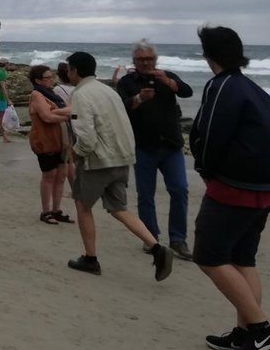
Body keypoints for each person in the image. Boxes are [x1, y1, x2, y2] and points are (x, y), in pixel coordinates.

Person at [191, 25, 270, 350]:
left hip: (233, 187)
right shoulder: (255, 89)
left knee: (209, 256)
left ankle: (261, 329)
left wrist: (204, 168)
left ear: (208, 55)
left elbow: (211, 134)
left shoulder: (221, 86)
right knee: (243, 259)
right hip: (263, 189)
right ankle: (246, 332)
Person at [64, 51, 172, 281]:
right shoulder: (108, 91)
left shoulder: (81, 94)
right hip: (122, 157)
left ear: (74, 70)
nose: (67, 73)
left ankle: (90, 258)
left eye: (69, 69)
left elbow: (86, 136)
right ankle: (156, 247)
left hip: (98, 161)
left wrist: (75, 152)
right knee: (118, 208)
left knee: (83, 205)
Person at [116, 39, 195, 260]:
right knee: (145, 196)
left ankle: (178, 239)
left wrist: (168, 82)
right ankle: (151, 239)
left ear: (155, 59)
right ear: (134, 61)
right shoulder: (126, 82)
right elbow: (121, 107)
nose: (145, 63)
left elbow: (187, 92)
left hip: (171, 146)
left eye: (149, 58)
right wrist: (139, 98)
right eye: (141, 59)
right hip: (143, 147)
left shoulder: (166, 76)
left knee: (179, 190)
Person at [27, 65, 74, 225]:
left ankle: (56, 210)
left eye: (52, 76)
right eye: (48, 77)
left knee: (61, 175)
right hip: (45, 141)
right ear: (38, 80)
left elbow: (71, 109)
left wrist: (58, 113)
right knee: (49, 175)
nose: (52, 80)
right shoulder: (37, 95)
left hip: (62, 141)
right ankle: (46, 211)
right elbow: (47, 117)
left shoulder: (53, 95)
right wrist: (66, 116)